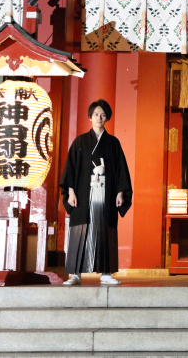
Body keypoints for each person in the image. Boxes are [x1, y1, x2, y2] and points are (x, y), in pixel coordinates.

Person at [60, 99, 132, 285]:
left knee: (105, 229)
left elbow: (121, 170)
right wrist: (71, 192)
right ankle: (75, 274)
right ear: (90, 117)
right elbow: (71, 169)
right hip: (83, 193)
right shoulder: (80, 142)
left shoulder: (113, 143)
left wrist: (120, 192)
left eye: (103, 115)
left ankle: (106, 272)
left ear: (107, 118)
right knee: (79, 229)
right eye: (96, 114)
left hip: (106, 193)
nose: (99, 118)